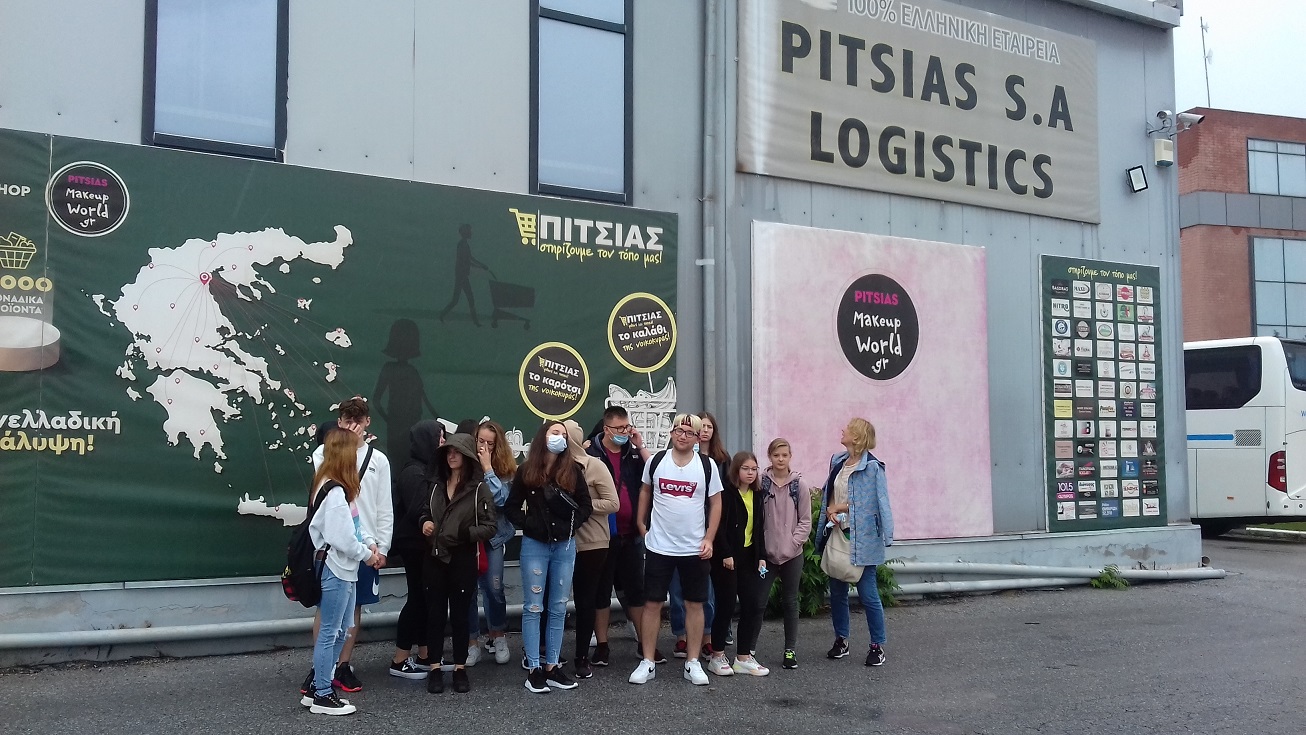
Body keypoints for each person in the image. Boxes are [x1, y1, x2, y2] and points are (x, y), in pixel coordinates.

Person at [304, 397, 393, 695]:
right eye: (347, 420)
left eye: (359, 420)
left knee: (352, 610)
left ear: (368, 422)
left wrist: (381, 547)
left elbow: (384, 507)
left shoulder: (378, 460)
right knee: (328, 610)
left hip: (366, 544)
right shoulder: (326, 454)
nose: (353, 425)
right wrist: (345, 443)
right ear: (339, 421)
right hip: (336, 551)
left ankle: (342, 665)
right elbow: (324, 463)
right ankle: (321, 671)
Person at [629, 414, 723, 687]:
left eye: (689, 433)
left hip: (694, 548)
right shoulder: (657, 461)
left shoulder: (706, 465)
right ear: (671, 433)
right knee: (652, 604)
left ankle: (692, 662)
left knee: (695, 604)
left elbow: (716, 503)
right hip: (659, 546)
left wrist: (709, 538)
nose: (683, 436)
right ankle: (647, 661)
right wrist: (640, 522)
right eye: (679, 431)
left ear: (697, 438)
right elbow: (645, 491)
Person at [505, 422, 593, 693]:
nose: (560, 438)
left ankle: (552, 666)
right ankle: (534, 668)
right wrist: (529, 524)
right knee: (533, 607)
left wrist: (572, 526)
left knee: (558, 606)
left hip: (565, 546)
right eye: (555, 433)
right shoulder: (526, 470)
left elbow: (586, 505)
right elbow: (511, 507)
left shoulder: (573, 470)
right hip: (535, 545)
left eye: (564, 435)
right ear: (542, 437)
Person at [417, 431, 497, 693]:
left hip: (462, 557)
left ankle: (460, 668)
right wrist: (424, 522)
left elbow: (490, 526)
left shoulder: (478, 489)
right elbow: (424, 511)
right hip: (434, 557)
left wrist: (465, 533)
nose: (451, 456)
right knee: (435, 614)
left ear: (467, 456)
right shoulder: (435, 485)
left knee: (461, 615)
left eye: (457, 452)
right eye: (447, 452)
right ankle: (435, 668)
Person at [586, 405, 664, 667]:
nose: (624, 432)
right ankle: (602, 646)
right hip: (601, 535)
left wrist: (640, 446)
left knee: (636, 591)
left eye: (626, 427)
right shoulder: (591, 453)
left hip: (631, 535)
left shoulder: (633, 453)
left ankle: (645, 644)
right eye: (619, 428)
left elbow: (656, 473)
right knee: (601, 592)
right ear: (606, 428)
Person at [817, 418, 895, 667]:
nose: (843, 430)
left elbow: (874, 503)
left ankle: (877, 646)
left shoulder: (873, 468)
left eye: (848, 429)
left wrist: (839, 507)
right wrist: (830, 510)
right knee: (837, 592)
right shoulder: (838, 461)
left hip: (863, 539)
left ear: (857, 437)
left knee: (868, 595)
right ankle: (841, 640)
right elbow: (830, 491)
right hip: (838, 533)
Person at [705, 451, 771, 677]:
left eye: (754, 469)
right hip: (726, 558)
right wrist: (725, 553)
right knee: (725, 606)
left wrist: (761, 555)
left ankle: (743, 657)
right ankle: (717, 656)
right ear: (736, 470)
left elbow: (759, 528)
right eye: (745, 469)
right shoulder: (726, 493)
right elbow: (718, 526)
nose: (750, 473)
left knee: (751, 605)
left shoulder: (757, 494)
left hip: (748, 557)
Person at [669, 411, 729, 659]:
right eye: (700, 427)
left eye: (708, 427)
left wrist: (715, 537)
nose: (704, 431)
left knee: (706, 591)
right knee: (677, 590)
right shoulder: (670, 460)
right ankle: (681, 637)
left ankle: (707, 637)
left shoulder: (720, 461)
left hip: (708, 533)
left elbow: (722, 501)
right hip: (676, 535)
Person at [387, 421, 445, 680]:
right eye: (439, 438)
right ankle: (399, 659)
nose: (443, 443)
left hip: (424, 544)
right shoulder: (413, 472)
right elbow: (419, 508)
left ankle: (425, 654)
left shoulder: (427, 469)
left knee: (425, 598)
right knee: (417, 599)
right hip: (414, 543)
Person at [563, 419, 619, 679]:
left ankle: (582, 656)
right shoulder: (547, 466)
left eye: (563, 436)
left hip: (592, 542)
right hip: (557, 542)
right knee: (552, 601)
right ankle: (547, 655)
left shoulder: (594, 465)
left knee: (586, 600)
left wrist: (581, 503)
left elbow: (613, 503)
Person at [466, 420, 517, 666]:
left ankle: (497, 635)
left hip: (494, 537)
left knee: (494, 588)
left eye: (490, 443)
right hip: (468, 537)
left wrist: (487, 468)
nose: (484, 447)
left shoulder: (505, 468)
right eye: (480, 441)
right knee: (467, 590)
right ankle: (471, 642)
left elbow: (501, 500)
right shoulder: (465, 463)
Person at [761, 438, 813, 670]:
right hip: (767, 554)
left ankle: (790, 650)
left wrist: (792, 544)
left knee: (790, 601)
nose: (780, 459)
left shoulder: (799, 486)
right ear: (769, 457)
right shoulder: (762, 483)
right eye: (776, 455)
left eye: (784, 455)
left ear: (790, 456)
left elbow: (805, 521)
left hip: (792, 554)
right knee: (758, 601)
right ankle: (748, 651)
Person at [438, 224, 489, 326]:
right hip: (461, 276)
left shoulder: (464, 244)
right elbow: (467, 261)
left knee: (458, 299)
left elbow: (470, 258)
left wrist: (481, 265)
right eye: (469, 231)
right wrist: (481, 266)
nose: (471, 233)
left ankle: (442, 315)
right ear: (465, 232)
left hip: (462, 275)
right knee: (467, 298)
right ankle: (475, 322)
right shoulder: (462, 245)